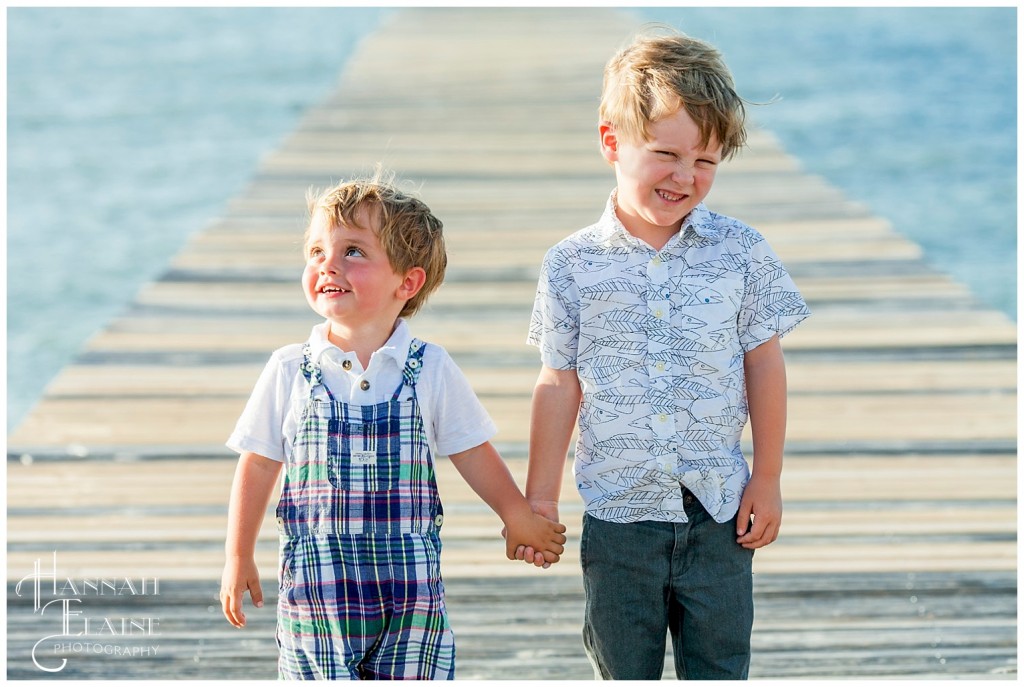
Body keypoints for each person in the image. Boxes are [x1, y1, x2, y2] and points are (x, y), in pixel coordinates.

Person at [520, 28, 810, 680]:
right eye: (666, 154)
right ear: (611, 141)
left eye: (705, 161)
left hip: (719, 514)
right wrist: (539, 497)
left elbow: (763, 362)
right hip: (619, 520)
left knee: (720, 665)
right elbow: (558, 381)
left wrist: (767, 475)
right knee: (623, 668)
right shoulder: (571, 263)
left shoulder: (741, 250)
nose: (686, 176)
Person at [219, 171, 566, 680]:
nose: (327, 265)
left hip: (411, 601)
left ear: (407, 282)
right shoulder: (290, 369)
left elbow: (472, 450)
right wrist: (237, 554)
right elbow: (258, 463)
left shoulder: (429, 368)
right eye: (316, 251)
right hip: (317, 599)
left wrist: (516, 514)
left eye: (352, 252)